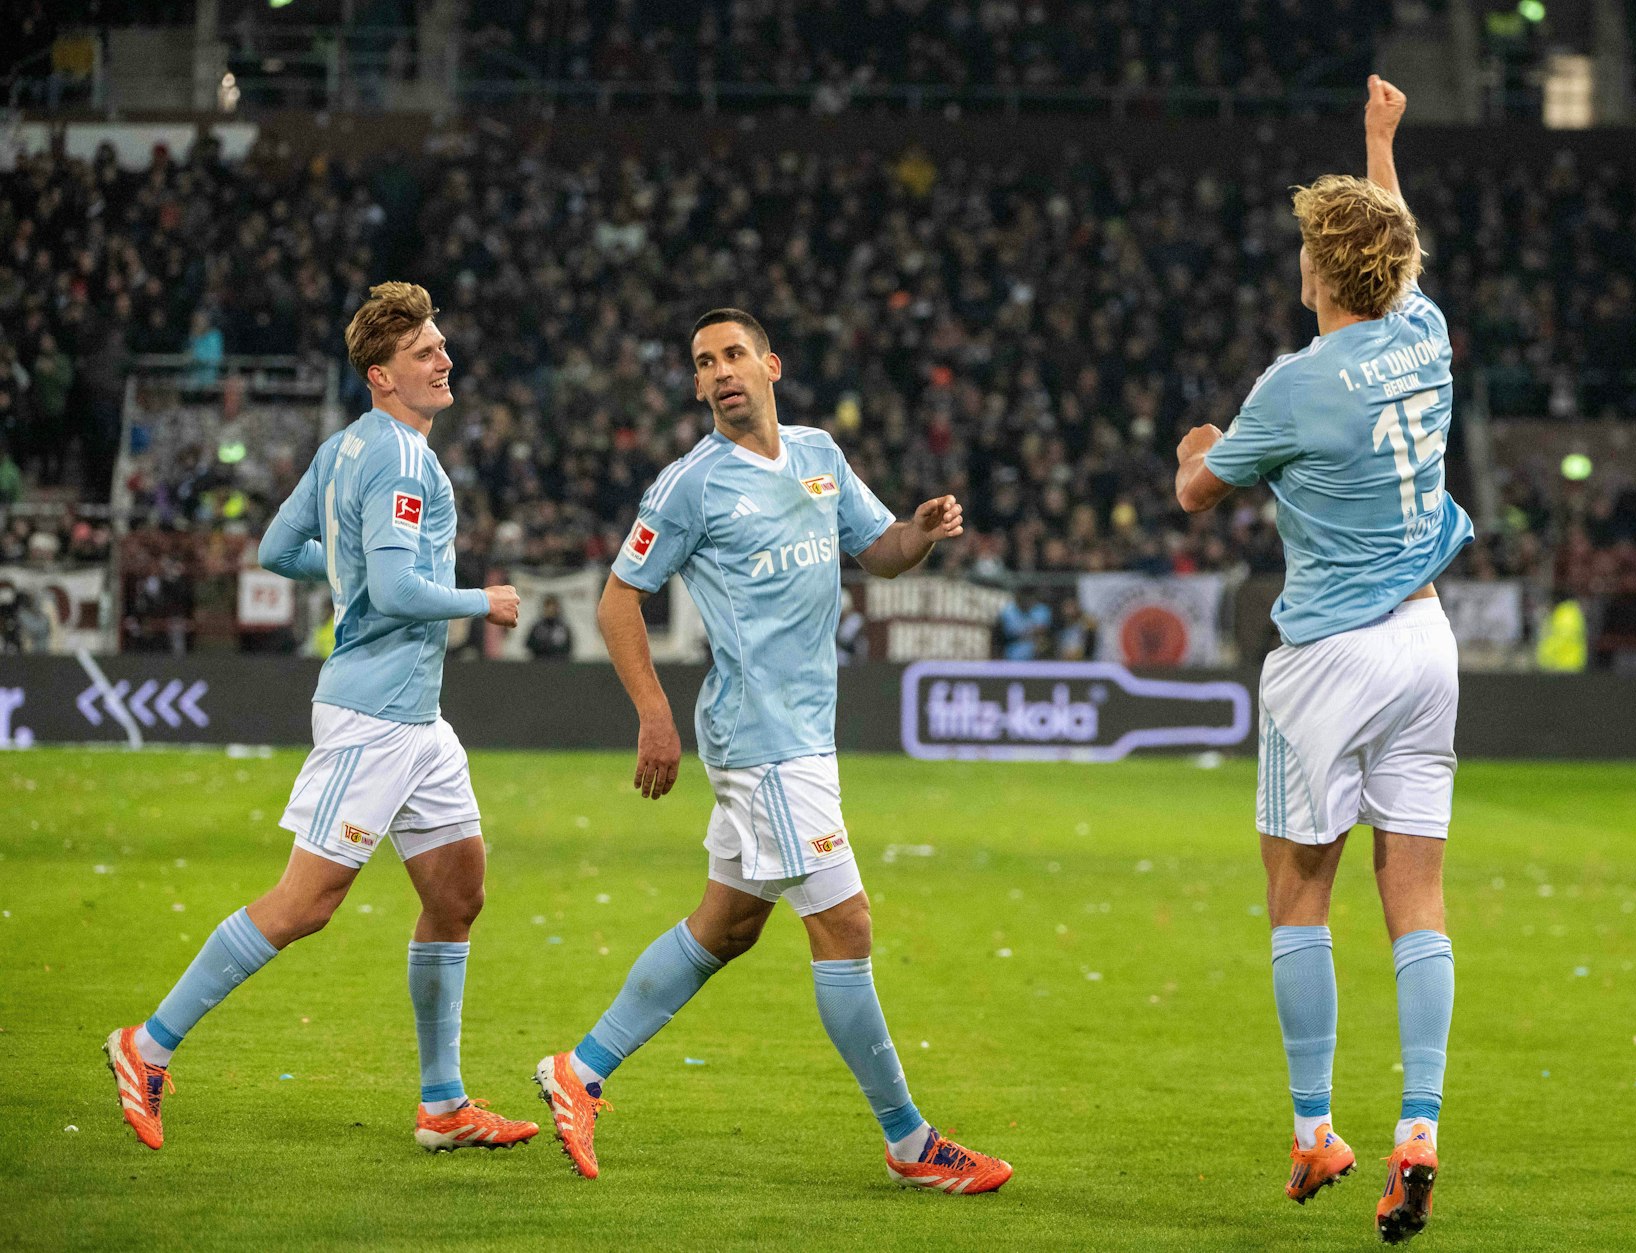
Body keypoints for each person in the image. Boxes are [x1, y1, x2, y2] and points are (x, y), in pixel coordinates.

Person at [533, 308, 1012, 1194]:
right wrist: (654, 714)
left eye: (733, 355)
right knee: (847, 923)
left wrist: (920, 527)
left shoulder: (821, 455)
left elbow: (880, 553)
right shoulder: (690, 486)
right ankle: (910, 1142)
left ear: (771, 366)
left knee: (727, 926)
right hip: (762, 742)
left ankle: (580, 1069)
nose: (719, 371)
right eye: (703, 361)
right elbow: (616, 601)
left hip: (803, 735)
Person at [104, 282, 538, 1155]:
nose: (443, 359)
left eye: (441, 345)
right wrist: (480, 599)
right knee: (305, 903)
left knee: (457, 895)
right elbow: (395, 589)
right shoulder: (404, 461)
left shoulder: (346, 447)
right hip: (373, 717)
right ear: (383, 374)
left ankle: (443, 1104)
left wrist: (347, 575)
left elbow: (275, 548)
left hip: (420, 722)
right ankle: (145, 1046)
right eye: (424, 353)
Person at [1174, 78, 1472, 1245]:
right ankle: (1419, 1126)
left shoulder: (1290, 387)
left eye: (1307, 248)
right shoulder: (1424, 335)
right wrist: (1376, 150)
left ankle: (1314, 1128)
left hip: (1329, 657)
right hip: (1424, 639)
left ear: (1317, 271)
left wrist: (1197, 445)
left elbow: (1198, 492)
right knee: (1418, 893)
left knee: (1299, 889)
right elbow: (1392, 262)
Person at [526, 593, 574, 659]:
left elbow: (568, 647)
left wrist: (553, 650)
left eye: (553, 607)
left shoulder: (563, 628)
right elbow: (529, 644)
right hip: (539, 662)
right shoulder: (537, 627)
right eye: (548, 607)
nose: (550, 610)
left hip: (558, 663)